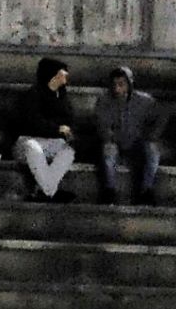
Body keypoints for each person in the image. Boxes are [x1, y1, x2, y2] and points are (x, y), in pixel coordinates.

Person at [93, 66, 167, 205]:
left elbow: (161, 117)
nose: (117, 89)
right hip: (115, 142)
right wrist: (111, 136)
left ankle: (147, 191)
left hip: (137, 143)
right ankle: (110, 191)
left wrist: (152, 135)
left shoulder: (145, 101)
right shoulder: (104, 101)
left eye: (121, 84)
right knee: (108, 149)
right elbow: (102, 126)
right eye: (114, 85)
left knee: (153, 150)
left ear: (129, 84)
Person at [12, 57, 77, 202]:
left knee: (68, 151)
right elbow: (33, 123)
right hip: (27, 143)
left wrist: (60, 131)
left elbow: (69, 123)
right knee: (32, 147)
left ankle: (45, 191)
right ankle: (51, 192)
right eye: (62, 72)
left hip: (51, 142)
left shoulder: (63, 98)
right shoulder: (32, 95)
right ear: (52, 74)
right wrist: (57, 129)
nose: (66, 74)